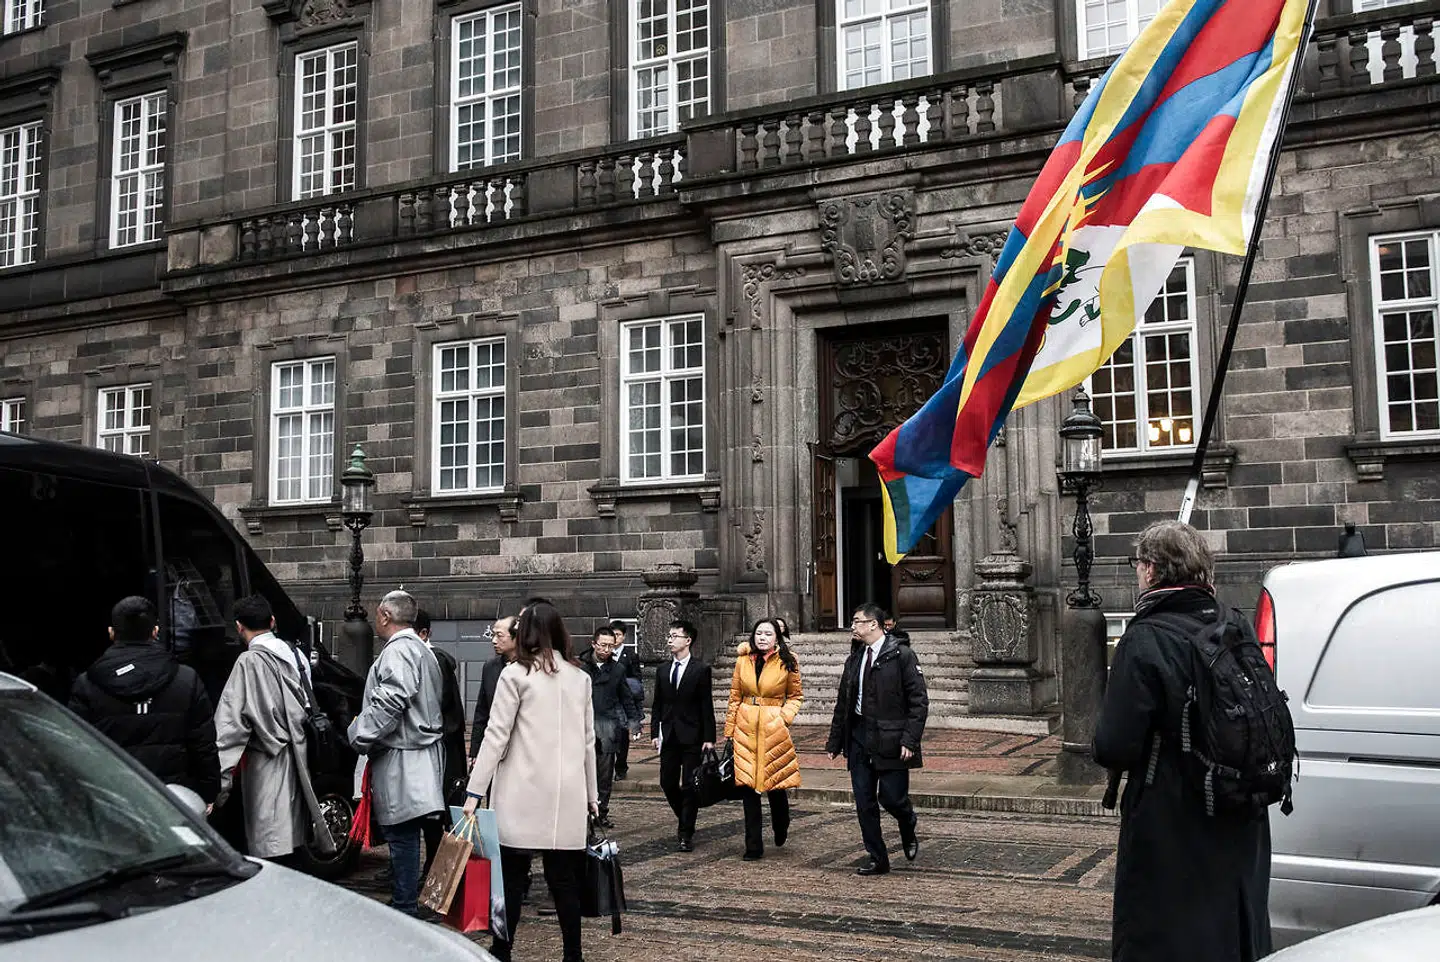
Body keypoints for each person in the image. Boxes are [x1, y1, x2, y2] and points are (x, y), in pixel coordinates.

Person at [1094, 520, 1273, 962]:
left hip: (1173, 815)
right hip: (1240, 809)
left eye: (1138, 565)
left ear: (1152, 571)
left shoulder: (1145, 636)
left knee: (1167, 937)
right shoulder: (1234, 624)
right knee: (1232, 931)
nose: (1136, 573)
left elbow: (1114, 745)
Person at [463, 601, 598, 962]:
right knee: (564, 882)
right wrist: (592, 795)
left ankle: (502, 950)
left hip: (521, 791)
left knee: (509, 881)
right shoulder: (579, 677)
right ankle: (573, 954)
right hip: (566, 794)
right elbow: (588, 742)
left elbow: (496, 736)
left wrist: (475, 790)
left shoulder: (515, 674)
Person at [213, 594, 335, 862]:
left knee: (270, 840)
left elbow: (231, 726)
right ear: (272, 621)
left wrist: (217, 786)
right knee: (294, 835)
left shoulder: (248, 663)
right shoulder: (295, 654)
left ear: (238, 627)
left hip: (266, 759)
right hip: (299, 754)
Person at [348, 590, 445, 919]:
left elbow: (392, 699)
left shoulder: (399, 650)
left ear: (386, 616)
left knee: (402, 835)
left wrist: (360, 733)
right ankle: (406, 900)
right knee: (407, 835)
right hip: (418, 754)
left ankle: (405, 904)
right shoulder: (422, 651)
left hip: (404, 756)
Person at [69, 595, 221, 804]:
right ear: (155, 631)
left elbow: (77, 749)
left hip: (111, 799)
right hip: (174, 800)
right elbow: (203, 745)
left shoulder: (87, 685)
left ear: (111, 633)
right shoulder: (187, 680)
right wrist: (208, 793)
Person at [826, 602, 928, 876]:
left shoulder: (901, 655)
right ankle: (877, 856)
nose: (853, 626)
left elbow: (918, 701)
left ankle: (907, 822)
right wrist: (835, 741)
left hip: (891, 738)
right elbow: (843, 702)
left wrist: (910, 740)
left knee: (893, 799)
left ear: (873, 624)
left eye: (857, 621)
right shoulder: (855, 658)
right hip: (859, 736)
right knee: (864, 801)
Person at [723, 617, 802, 860]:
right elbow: (735, 696)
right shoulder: (743, 661)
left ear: (777, 637)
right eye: (759, 633)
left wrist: (783, 717)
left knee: (775, 786)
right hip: (745, 728)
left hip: (773, 728)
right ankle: (753, 845)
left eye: (768, 634)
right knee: (749, 788)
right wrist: (729, 732)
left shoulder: (788, 661)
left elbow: (796, 696)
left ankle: (781, 824)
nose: (763, 638)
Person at [650, 618, 715, 852]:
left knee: (689, 785)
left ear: (688, 640)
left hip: (692, 735)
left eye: (675, 635)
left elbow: (706, 705)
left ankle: (685, 833)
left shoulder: (700, 669)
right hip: (668, 734)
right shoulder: (663, 670)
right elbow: (657, 703)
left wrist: (709, 738)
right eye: (669, 635)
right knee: (667, 782)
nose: (670, 639)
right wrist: (654, 731)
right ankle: (685, 818)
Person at [414, 608, 468, 875]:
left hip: (439, 750)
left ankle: (435, 868)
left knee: (436, 815)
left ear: (423, 633)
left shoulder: (434, 661)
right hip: (436, 747)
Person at [582, 626, 641, 828]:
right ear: (593, 644)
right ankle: (581, 810)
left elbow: (626, 698)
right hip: (582, 725)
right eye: (603, 645)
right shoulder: (580, 666)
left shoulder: (617, 670)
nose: (607, 649)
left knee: (604, 774)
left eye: (611, 646)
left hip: (607, 725)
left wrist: (634, 722)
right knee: (580, 772)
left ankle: (601, 811)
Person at [470, 614, 518, 760]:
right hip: (494, 747)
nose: (494, 641)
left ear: (516, 637)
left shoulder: (532, 668)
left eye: (499, 636)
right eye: (493, 635)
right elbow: (482, 712)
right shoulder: (491, 667)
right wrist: (475, 752)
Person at [609, 620, 642, 780]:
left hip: (623, 701)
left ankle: (621, 767)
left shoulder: (630, 655)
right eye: (613, 634)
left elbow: (636, 679)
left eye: (618, 635)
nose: (615, 638)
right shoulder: (605, 653)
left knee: (622, 735)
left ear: (623, 637)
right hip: (608, 701)